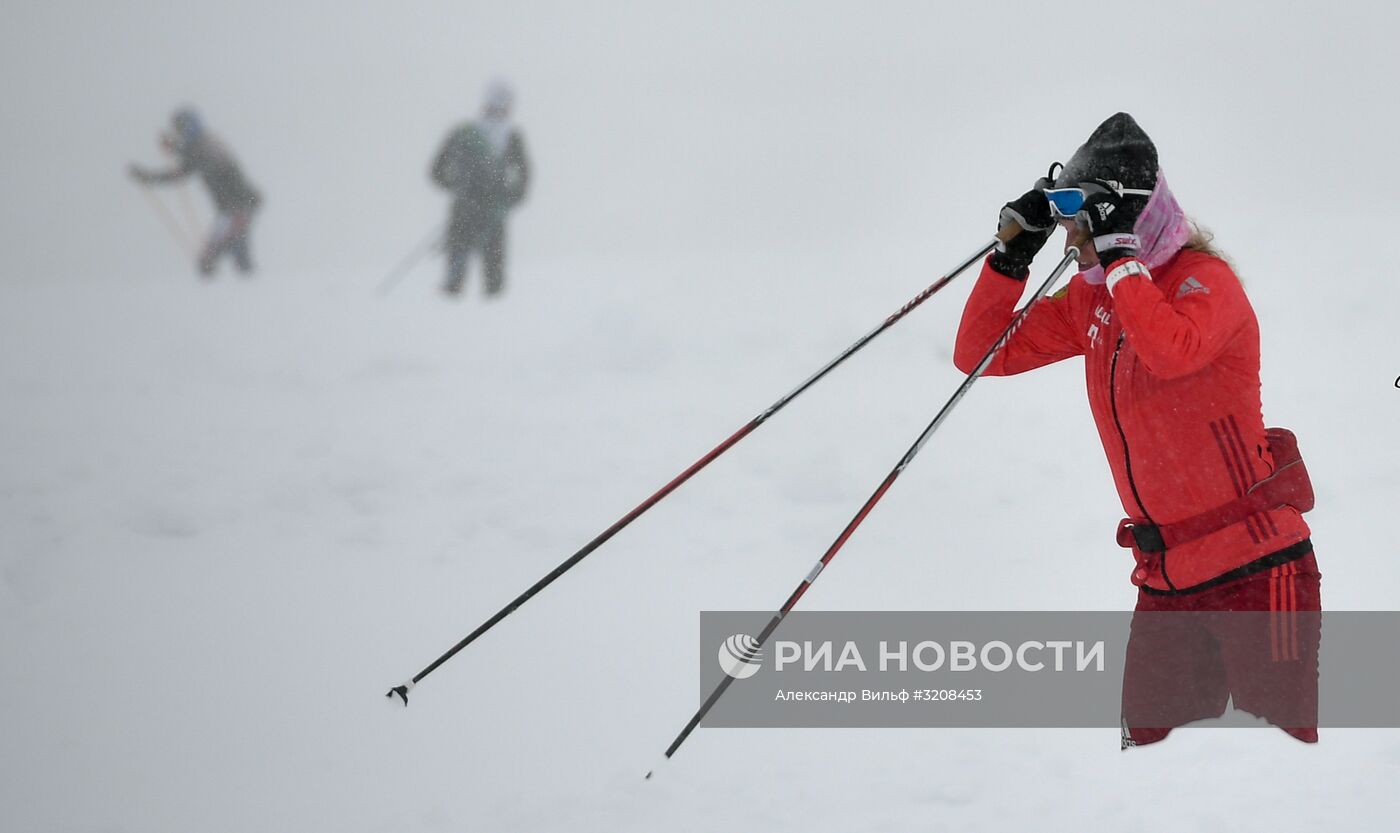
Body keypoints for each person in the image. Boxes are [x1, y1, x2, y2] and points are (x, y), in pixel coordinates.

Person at [953, 113, 1320, 746]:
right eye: (1065, 223)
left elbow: (1170, 351)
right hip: (1166, 580)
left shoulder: (1208, 285)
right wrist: (1011, 256)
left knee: (1273, 770)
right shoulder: (1095, 300)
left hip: (1257, 572)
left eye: (1080, 222)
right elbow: (980, 352)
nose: (1071, 243)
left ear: (1128, 218)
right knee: (1154, 766)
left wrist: (1121, 257)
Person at [129, 107, 262, 276]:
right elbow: (187, 165)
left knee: (222, 252)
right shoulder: (201, 146)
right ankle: (243, 288)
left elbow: (191, 164)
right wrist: (150, 175)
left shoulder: (207, 145)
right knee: (225, 252)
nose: (180, 133)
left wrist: (173, 151)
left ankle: (248, 289)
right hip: (234, 207)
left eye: (181, 129)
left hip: (239, 205)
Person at [430, 79, 531, 297]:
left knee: (454, 282)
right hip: (493, 217)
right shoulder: (511, 138)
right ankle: (492, 322)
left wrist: (459, 187)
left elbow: (437, 172)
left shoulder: (462, 134)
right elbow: (524, 180)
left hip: (464, 214)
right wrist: (508, 198)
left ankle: (444, 318)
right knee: (493, 285)